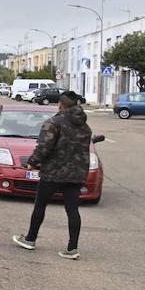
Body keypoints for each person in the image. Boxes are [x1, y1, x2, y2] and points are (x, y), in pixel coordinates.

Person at [13, 90, 92, 259]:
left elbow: (44, 147)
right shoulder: (84, 125)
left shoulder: (54, 122)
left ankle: (30, 239)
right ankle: (72, 248)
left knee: (40, 205)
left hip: (53, 173)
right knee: (72, 210)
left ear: (60, 105)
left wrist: (31, 162)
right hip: (76, 174)